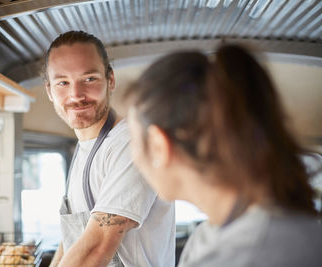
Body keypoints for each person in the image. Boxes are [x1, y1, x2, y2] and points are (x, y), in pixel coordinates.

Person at [124, 44, 322, 266]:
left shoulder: (250, 254)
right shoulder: (213, 234)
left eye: (133, 139)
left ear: (159, 144)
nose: (134, 155)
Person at [43, 31, 175, 267]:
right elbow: (74, 241)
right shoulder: (83, 149)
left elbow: (97, 246)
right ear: (49, 91)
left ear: (110, 80)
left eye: (89, 79)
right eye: (62, 82)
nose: (76, 95)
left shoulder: (131, 142)